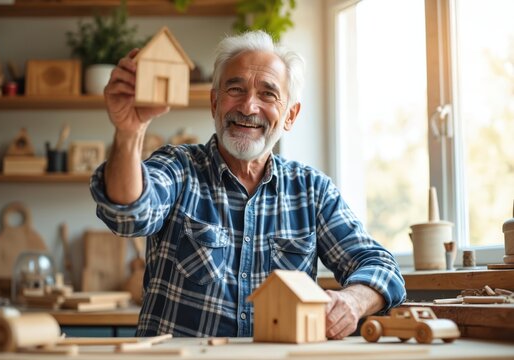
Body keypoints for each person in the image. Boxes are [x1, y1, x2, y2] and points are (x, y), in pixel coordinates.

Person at [90, 30, 406, 339]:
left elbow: (382, 267)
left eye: (267, 94)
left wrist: (352, 301)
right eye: (235, 89)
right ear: (214, 103)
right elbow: (128, 215)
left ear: (290, 115)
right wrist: (130, 131)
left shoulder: (311, 190)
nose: (248, 107)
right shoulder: (179, 167)